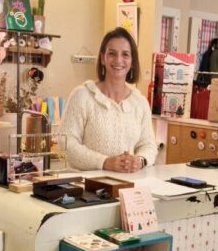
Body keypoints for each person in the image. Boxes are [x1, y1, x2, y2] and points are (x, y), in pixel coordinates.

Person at [62, 27, 157, 172]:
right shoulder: (82, 96)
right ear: (102, 58)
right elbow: (66, 144)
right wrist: (104, 162)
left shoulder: (140, 102)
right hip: (89, 188)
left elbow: (148, 144)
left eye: (125, 54)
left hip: (129, 187)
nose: (118, 60)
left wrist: (140, 160)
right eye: (112, 53)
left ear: (132, 61)